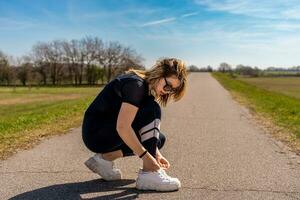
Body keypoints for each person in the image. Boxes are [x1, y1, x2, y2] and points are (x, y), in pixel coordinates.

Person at [82, 58, 188, 191]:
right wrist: (147, 158)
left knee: (159, 140)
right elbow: (123, 127)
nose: (168, 91)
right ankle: (149, 174)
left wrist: (156, 155)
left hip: (105, 131)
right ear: (159, 74)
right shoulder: (136, 85)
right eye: (168, 86)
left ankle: (103, 160)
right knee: (152, 108)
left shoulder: (144, 88)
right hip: (96, 133)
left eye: (172, 90)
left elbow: (136, 126)